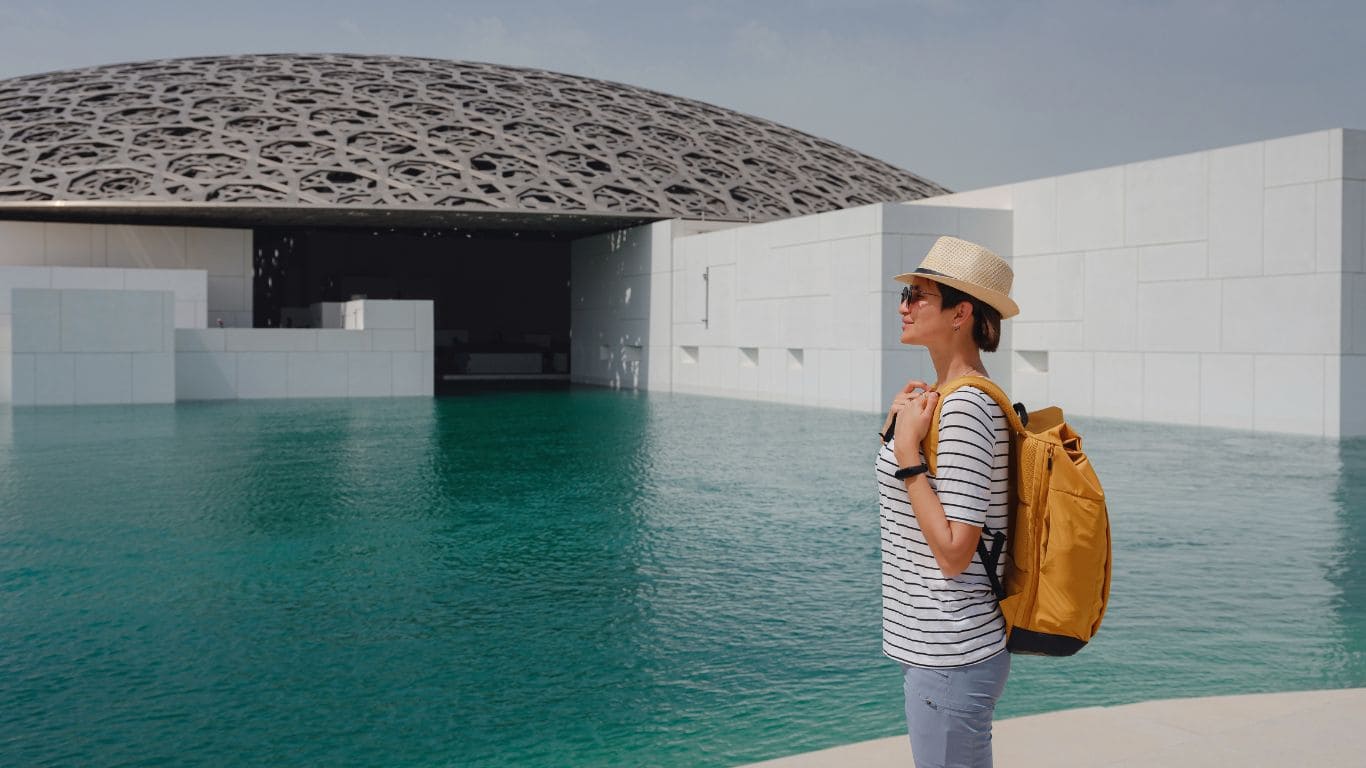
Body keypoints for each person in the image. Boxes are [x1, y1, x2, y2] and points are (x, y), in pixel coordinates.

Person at [876, 235, 1019, 768]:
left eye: (918, 295)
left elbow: (956, 551)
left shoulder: (966, 410)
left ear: (961, 312)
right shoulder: (942, 400)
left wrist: (908, 452)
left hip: (950, 652)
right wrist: (896, 434)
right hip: (941, 651)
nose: (904, 305)